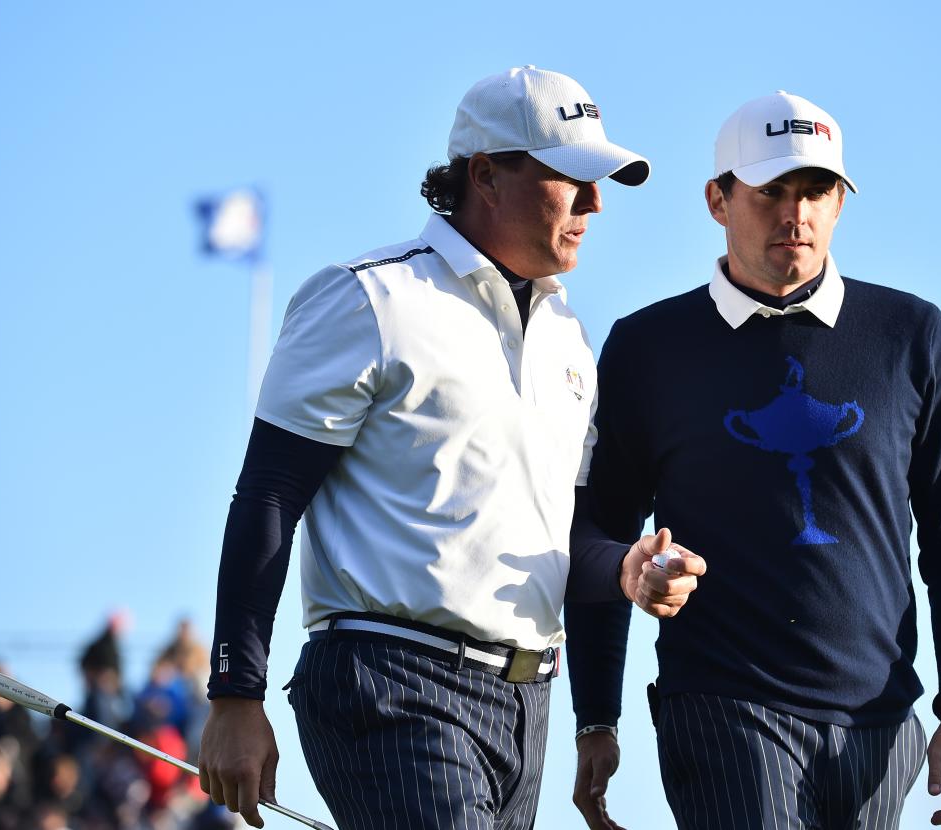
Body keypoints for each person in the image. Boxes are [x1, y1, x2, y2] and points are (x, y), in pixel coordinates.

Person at [197, 65, 676, 830]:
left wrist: (620, 569)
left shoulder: (569, 340)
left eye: (600, 183)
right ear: (485, 175)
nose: (594, 204)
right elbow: (269, 495)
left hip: (528, 701)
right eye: (571, 179)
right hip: (389, 679)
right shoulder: (367, 298)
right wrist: (235, 693)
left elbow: (560, 543)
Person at [566, 91, 941, 829]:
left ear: (840, 203)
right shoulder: (649, 347)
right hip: (722, 707)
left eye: (817, 191)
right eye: (769, 191)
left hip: (881, 722)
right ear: (717, 199)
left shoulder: (911, 335)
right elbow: (602, 534)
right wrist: (596, 716)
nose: (794, 214)